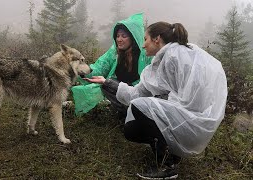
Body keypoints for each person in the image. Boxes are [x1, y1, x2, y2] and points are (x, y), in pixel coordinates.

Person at [84, 21, 228, 179]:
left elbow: (196, 91)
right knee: (130, 129)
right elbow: (137, 93)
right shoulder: (162, 60)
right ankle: (171, 152)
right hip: (188, 120)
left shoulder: (176, 55)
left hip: (194, 120)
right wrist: (107, 82)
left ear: (157, 39)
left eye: (145, 39)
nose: (143, 45)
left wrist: (167, 106)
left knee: (140, 107)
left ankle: (167, 166)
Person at [71, 13, 153, 118]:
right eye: (117, 36)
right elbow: (100, 67)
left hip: (139, 94)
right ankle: (124, 113)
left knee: (109, 85)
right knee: (105, 86)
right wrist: (82, 71)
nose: (119, 39)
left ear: (132, 38)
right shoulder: (114, 53)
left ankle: (134, 114)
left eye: (124, 36)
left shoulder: (145, 55)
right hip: (119, 91)